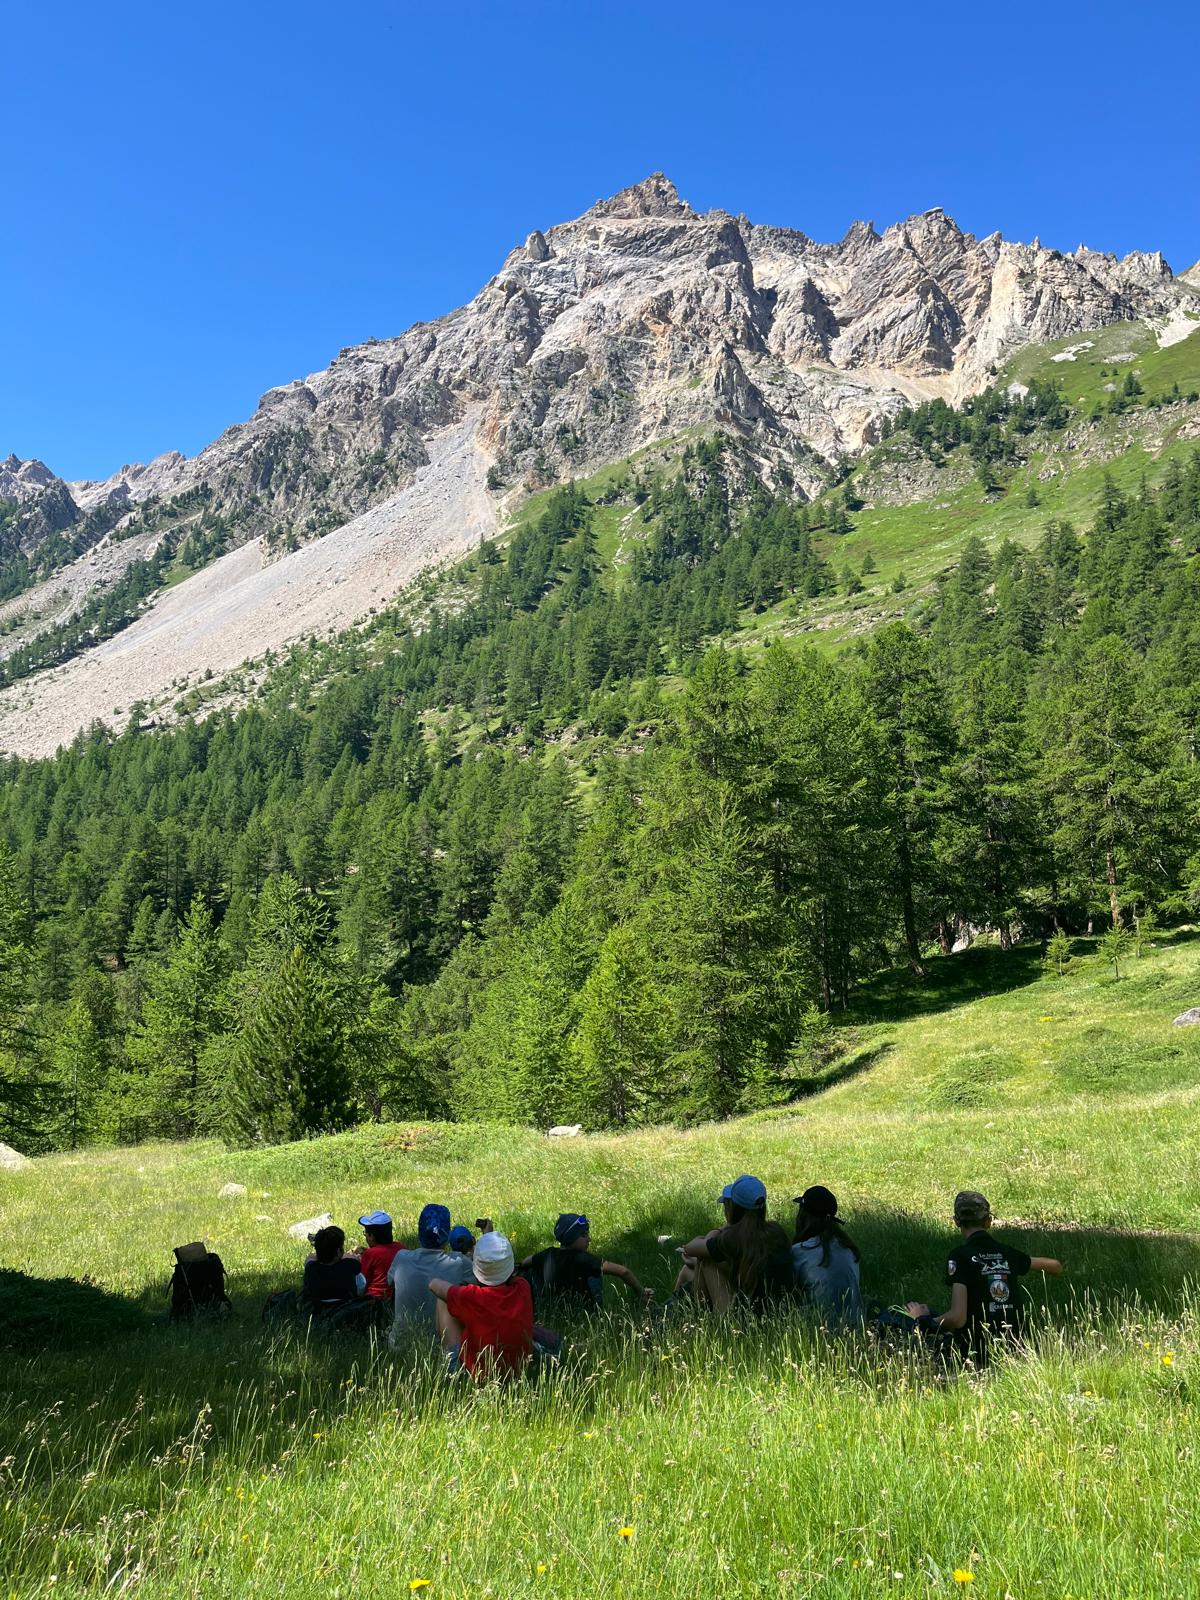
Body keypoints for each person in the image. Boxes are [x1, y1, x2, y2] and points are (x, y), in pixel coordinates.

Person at [906, 1190, 1064, 1362]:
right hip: (1015, 1347)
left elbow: (958, 1318)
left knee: (915, 1320)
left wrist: (923, 1320)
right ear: (988, 1221)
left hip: (977, 1352)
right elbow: (1055, 1266)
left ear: (956, 1221)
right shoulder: (1007, 1253)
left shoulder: (960, 1256)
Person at [677, 1175, 793, 1311]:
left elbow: (691, 1248)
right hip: (780, 1310)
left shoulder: (734, 1239)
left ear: (733, 1208)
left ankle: (698, 1313)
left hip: (746, 1315)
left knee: (706, 1260)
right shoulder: (776, 1233)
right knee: (693, 1268)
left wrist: (718, 1230)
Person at [429, 1230, 534, 1379]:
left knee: (443, 1301)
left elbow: (434, 1284)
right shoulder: (523, 1286)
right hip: (519, 1368)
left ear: (477, 1267)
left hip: (480, 1374)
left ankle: (453, 1368)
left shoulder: (472, 1296)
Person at [522, 1213, 654, 1310]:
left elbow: (526, 1261)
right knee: (595, 1274)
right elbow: (623, 1271)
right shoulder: (583, 1259)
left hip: (554, 1307)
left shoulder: (548, 1254)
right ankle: (595, 1309)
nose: (589, 1239)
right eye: (584, 1235)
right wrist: (641, 1292)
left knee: (532, 1270)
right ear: (571, 1237)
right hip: (582, 1309)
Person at [387, 1203, 471, 1344]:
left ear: (420, 1231)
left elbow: (389, 1282)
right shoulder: (460, 1263)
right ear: (447, 1234)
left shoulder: (401, 1258)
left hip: (400, 1345)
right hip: (444, 1346)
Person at [791, 1185, 864, 1329]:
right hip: (855, 1329)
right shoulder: (849, 1250)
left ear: (803, 1216)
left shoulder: (799, 1252)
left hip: (817, 1330)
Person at [301, 1225, 364, 1315]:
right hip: (346, 1306)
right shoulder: (349, 1265)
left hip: (318, 1307)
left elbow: (310, 1257)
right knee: (360, 1278)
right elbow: (356, 1260)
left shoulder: (311, 1268)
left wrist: (322, 1252)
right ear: (338, 1251)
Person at [357, 1211, 405, 1301]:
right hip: (397, 1296)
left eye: (365, 1233)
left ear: (371, 1236)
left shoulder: (370, 1254)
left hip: (374, 1299)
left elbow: (362, 1284)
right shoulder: (401, 1248)